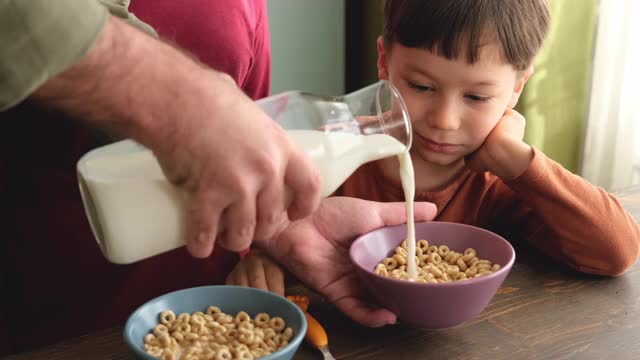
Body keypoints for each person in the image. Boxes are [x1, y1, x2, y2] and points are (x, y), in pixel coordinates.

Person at [0, 0, 437, 355]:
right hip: (45, 325)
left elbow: (242, 151)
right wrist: (184, 102)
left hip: (207, 328)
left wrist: (281, 223)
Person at [228, 0, 640, 299]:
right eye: (422, 87)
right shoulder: (333, 151)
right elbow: (270, 229)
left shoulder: (496, 183)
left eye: (477, 98)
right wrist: (263, 258)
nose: (445, 120)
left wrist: (519, 161)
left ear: (516, 87)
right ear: (385, 62)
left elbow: (616, 253)